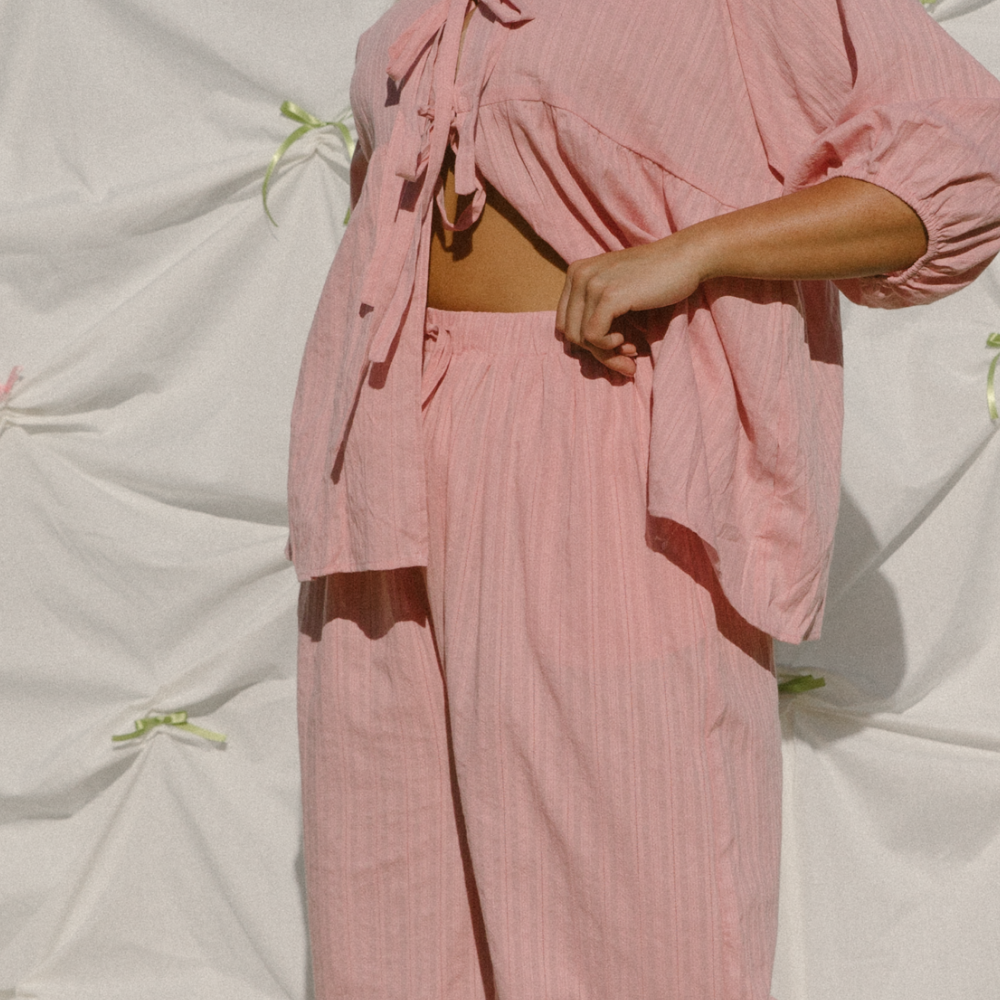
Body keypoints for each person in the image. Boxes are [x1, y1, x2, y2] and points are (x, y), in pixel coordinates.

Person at [289, 1, 1000, 997]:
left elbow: (970, 157)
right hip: (383, 454)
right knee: (394, 910)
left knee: (630, 906)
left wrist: (694, 249)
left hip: (598, 432)